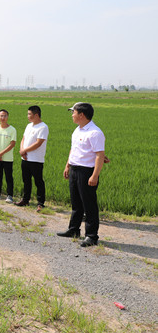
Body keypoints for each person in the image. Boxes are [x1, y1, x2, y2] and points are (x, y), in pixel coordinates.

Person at [57, 102, 106, 247]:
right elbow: (74, 149)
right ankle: (74, 229)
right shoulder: (77, 130)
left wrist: (95, 175)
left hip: (86, 172)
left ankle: (91, 236)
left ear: (81, 115)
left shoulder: (95, 133)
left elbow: (100, 155)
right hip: (74, 169)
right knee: (76, 203)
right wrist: (67, 166)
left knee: (89, 205)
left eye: (73, 112)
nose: (72, 115)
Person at [17, 106, 49, 211]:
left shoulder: (43, 127)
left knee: (38, 181)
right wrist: (22, 150)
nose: (28, 116)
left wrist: (24, 150)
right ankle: (25, 200)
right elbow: (23, 139)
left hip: (36, 159)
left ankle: (41, 203)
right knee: (26, 180)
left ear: (36, 115)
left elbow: (38, 143)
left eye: (29, 114)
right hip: (25, 158)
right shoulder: (29, 126)